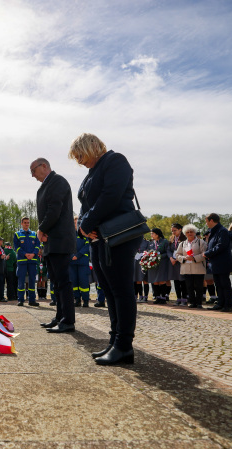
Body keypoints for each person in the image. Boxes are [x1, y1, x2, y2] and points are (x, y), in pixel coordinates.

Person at [70, 133, 143, 365]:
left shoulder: (115, 161)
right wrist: (83, 225)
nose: (79, 161)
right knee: (109, 290)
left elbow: (109, 197)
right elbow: (86, 205)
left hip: (118, 235)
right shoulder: (91, 172)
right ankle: (114, 340)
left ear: (92, 147)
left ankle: (124, 345)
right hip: (99, 237)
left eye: (80, 155)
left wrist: (86, 223)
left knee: (121, 290)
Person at [31, 158, 77, 333]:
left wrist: (41, 229)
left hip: (60, 240)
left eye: (33, 171)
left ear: (44, 166)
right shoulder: (46, 185)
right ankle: (59, 316)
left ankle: (68, 320)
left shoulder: (57, 181)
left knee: (63, 282)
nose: (33, 175)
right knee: (56, 282)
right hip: (51, 241)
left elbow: (54, 209)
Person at [203, 213, 232, 312]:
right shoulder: (214, 231)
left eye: (207, 221)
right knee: (218, 284)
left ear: (211, 220)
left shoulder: (222, 231)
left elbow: (221, 245)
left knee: (225, 284)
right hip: (215, 262)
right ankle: (220, 303)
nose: (206, 224)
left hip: (222, 262)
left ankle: (228, 305)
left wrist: (208, 253)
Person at [174, 224, 208, 308]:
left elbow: (204, 254)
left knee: (199, 286)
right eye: (188, 232)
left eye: (191, 232)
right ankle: (192, 302)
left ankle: (199, 303)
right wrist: (184, 258)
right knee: (189, 286)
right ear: (185, 234)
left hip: (198, 267)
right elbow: (177, 255)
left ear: (195, 233)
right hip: (186, 268)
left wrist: (194, 258)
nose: (190, 233)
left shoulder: (201, 242)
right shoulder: (182, 244)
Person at [13, 217, 40, 306]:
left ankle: (32, 300)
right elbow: (17, 247)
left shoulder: (34, 234)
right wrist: (25, 254)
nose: (27, 224)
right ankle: (21, 300)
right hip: (22, 260)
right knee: (21, 280)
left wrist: (33, 254)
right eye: (25, 222)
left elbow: (37, 246)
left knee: (32, 280)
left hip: (32, 260)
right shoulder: (17, 234)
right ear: (21, 223)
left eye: (28, 222)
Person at [70, 215, 91, 307]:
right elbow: (66, 246)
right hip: (72, 262)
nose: (75, 224)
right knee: (74, 282)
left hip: (82, 262)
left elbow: (87, 246)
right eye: (74, 222)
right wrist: (71, 256)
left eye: (77, 222)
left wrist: (77, 255)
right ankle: (77, 299)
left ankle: (85, 300)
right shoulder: (69, 234)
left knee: (84, 281)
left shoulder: (84, 233)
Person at [147, 228, 171, 304]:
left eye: (152, 233)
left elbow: (167, 252)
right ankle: (157, 297)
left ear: (157, 234)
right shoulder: (150, 243)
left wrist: (159, 255)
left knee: (162, 280)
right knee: (155, 281)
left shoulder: (164, 242)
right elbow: (148, 252)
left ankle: (163, 298)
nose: (151, 235)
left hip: (162, 263)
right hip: (153, 265)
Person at [168, 224, 187, 306]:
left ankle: (184, 299)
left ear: (180, 229)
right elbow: (168, 250)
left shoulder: (185, 238)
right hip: (174, 263)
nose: (173, 232)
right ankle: (178, 298)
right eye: (172, 231)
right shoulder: (171, 238)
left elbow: (187, 250)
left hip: (182, 262)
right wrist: (171, 258)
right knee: (176, 280)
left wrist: (179, 258)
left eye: (175, 230)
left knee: (182, 280)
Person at [134, 237, 150, 303]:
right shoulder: (134, 241)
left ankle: (145, 296)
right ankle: (140, 296)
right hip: (136, 261)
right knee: (138, 279)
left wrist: (144, 253)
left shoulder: (147, 242)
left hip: (144, 261)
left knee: (145, 279)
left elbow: (149, 250)